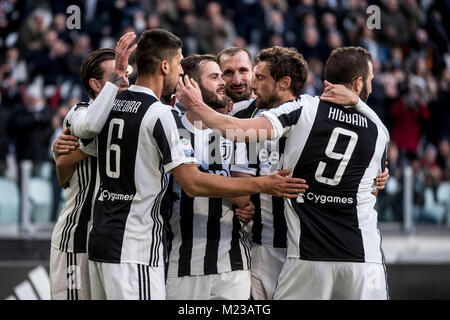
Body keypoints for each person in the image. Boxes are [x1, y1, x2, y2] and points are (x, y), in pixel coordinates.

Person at [68, 29, 307, 300]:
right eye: (179, 63)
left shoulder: (109, 107)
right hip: (140, 248)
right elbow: (192, 182)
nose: (226, 83)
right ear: (166, 66)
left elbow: (77, 146)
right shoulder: (164, 116)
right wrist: (263, 185)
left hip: (103, 241)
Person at [177, 46, 390, 300]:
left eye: (258, 76)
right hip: (268, 246)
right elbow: (372, 182)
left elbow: (232, 130)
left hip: (302, 250)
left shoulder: (304, 111)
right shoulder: (378, 128)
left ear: (284, 83)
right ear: (358, 83)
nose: (249, 84)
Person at [49, 32, 134, 300]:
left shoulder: (134, 115)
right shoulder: (79, 112)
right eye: (115, 75)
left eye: (126, 73)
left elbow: (63, 167)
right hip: (77, 239)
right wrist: (60, 156)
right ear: (97, 84)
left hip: (114, 242)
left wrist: (61, 156)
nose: (125, 80)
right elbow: (64, 173)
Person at [165, 54, 254, 300]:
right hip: (181, 264)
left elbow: (245, 196)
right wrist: (233, 187)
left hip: (232, 265)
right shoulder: (170, 128)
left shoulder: (237, 130)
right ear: (190, 84)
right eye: (215, 77)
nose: (223, 83)